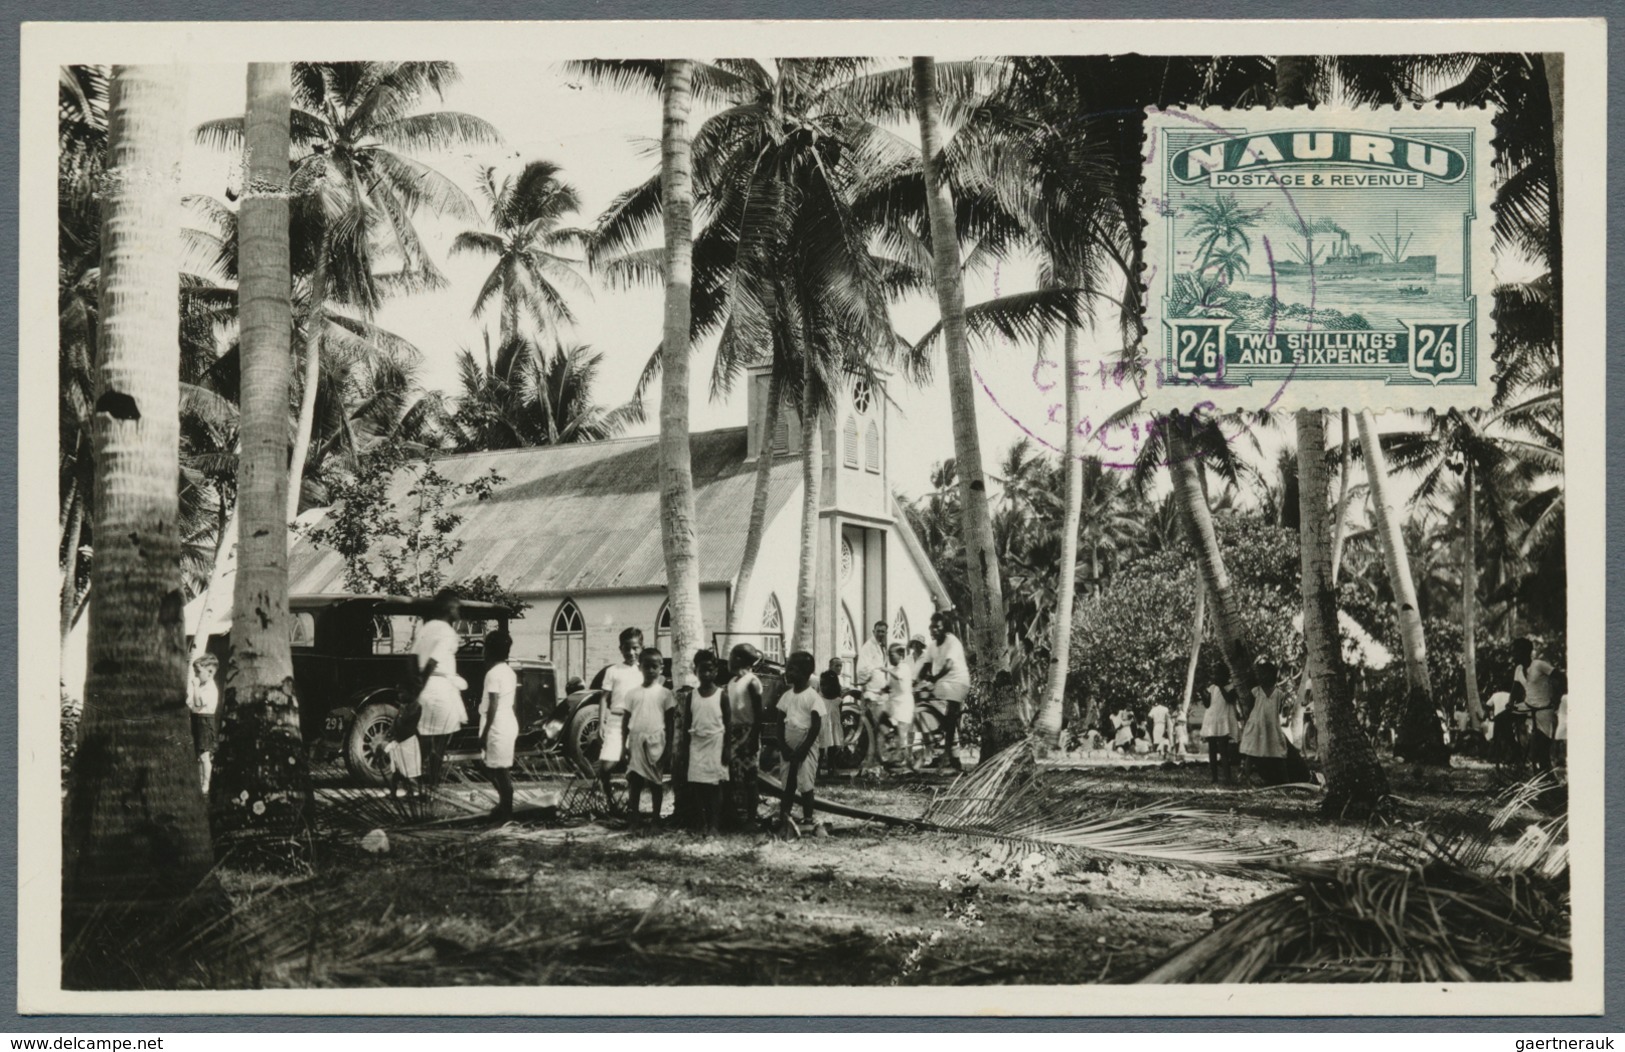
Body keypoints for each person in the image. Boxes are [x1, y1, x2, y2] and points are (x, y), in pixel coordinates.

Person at [412, 589, 468, 788]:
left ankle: (417, 782)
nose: (459, 611)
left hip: (425, 691)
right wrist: (423, 682)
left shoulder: (426, 629)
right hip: (439, 689)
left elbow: (413, 658)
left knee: (424, 740)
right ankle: (433, 785)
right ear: (449, 607)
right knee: (439, 742)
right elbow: (432, 662)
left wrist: (416, 689)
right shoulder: (446, 631)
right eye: (457, 607)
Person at [622, 647, 675, 829]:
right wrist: (624, 745)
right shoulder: (632, 693)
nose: (651, 670)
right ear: (640, 667)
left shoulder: (665, 694)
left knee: (655, 781)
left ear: (661, 668)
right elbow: (625, 720)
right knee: (635, 781)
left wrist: (668, 747)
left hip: (656, 741)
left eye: (655, 666)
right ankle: (634, 818)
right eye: (647, 666)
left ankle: (655, 819)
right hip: (636, 740)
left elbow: (670, 723)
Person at [776, 651, 826, 838]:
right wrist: (783, 746)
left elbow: (815, 727)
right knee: (787, 783)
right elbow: (780, 723)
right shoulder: (786, 696)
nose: (788, 673)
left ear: (805, 673)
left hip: (806, 748)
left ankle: (807, 817)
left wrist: (804, 749)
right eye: (788, 668)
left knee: (805, 783)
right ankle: (785, 815)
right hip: (788, 748)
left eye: (793, 669)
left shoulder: (812, 697)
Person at [595, 627, 646, 811]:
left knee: (634, 768)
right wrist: (601, 722)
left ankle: (634, 807)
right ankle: (610, 803)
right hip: (616, 721)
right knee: (606, 766)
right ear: (620, 649)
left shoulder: (643, 671)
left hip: (636, 724)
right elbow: (603, 698)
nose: (631, 652)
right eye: (627, 648)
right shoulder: (613, 671)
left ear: (642, 647)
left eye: (635, 648)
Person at [684, 649, 731, 835]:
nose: (706, 674)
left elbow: (728, 724)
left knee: (715, 786)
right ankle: (702, 823)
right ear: (695, 671)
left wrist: (727, 748)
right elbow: (687, 724)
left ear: (716, 671)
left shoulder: (722, 695)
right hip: (696, 744)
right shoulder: (691, 696)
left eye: (710, 670)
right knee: (698, 785)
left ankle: (714, 824)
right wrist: (685, 749)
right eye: (701, 670)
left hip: (716, 744)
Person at [918, 613, 971, 771]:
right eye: (931, 627)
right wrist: (917, 680)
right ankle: (945, 743)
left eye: (937, 627)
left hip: (958, 681)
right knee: (926, 702)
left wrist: (933, 679)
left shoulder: (952, 642)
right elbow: (925, 666)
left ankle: (948, 756)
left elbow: (948, 665)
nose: (933, 631)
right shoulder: (932, 646)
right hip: (942, 683)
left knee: (950, 717)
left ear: (944, 629)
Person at [725, 643, 765, 832]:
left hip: (748, 733)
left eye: (732, 656)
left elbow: (758, 715)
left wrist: (753, 739)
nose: (729, 660)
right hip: (733, 733)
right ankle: (736, 816)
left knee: (750, 777)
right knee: (734, 777)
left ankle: (751, 818)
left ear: (739, 660)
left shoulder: (752, 681)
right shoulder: (731, 683)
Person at [478, 629, 518, 822]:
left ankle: (507, 812)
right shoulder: (508, 671)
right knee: (491, 766)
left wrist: (485, 733)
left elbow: (493, 704)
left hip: (497, 723)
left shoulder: (493, 674)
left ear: (489, 651)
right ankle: (504, 804)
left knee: (501, 770)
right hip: (506, 720)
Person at [1240, 659, 1294, 786]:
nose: (1262, 678)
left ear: (1273, 676)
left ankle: (1285, 780)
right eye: (1260, 675)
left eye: (1265, 674)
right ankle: (1246, 779)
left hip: (1272, 727)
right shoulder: (1256, 691)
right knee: (1251, 753)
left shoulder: (1279, 693)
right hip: (1257, 726)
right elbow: (1250, 707)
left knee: (1278, 752)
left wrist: (1288, 708)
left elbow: (1281, 710)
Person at [1513, 638, 1557, 773]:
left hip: (1543, 709)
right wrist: (1510, 703)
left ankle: (1547, 781)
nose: (1514, 655)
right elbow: (1515, 689)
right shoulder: (1519, 669)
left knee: (1541, 749)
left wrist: (1556, 697)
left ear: (1527, 652)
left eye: (1517, 652)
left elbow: (1560, 677)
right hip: (1528, 706)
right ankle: (1514, 751)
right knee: (1502, 717)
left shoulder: (1538, 665)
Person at [1200, 664, 1240, 785]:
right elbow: (1207, 704)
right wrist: (1202, 692)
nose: (1216, 677)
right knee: (1212, 749)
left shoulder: (1231, 687)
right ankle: (1214, 777)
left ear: (1226, 676)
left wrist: (1221, 686)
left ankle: (1228, 778)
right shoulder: (1212, 687)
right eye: (1215, 674)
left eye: (1219, 674)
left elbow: (1229, 699)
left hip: (1223, 720)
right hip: (1212, 719)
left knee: (1223, 749)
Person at [186, 653, 220, 794]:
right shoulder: (202, 687)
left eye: (198, 672)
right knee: (198, 755)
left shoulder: (210, 688)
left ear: (210, 672)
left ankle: (205, 785)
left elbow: (198, 703)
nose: (196, 675)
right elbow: (190, 704)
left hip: (205, 721)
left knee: (204, 755)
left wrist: (195, 687)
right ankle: (200, 783)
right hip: (197, 720)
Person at [880, 642, 917, 769]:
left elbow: (898, 677)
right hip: (894, 706)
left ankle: (906, 760)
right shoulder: (894, 669)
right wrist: (881, 690)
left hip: (903, 705)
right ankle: (895, 755)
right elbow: (890, 685)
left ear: (900, 655)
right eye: (889, 655)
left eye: (892, 654)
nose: (890, 657)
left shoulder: (904, 667)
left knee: (901, 734)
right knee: (884, 725)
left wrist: (886, 670)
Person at [855, 621, 890, 701]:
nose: (880, 634)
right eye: (878, 631)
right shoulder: (868, 647)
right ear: (873, 631)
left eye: (883, 632)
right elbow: (861, 669)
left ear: (886, 633)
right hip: (871, 690)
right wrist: (868, 684)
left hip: (881, 690)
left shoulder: (882, 646)